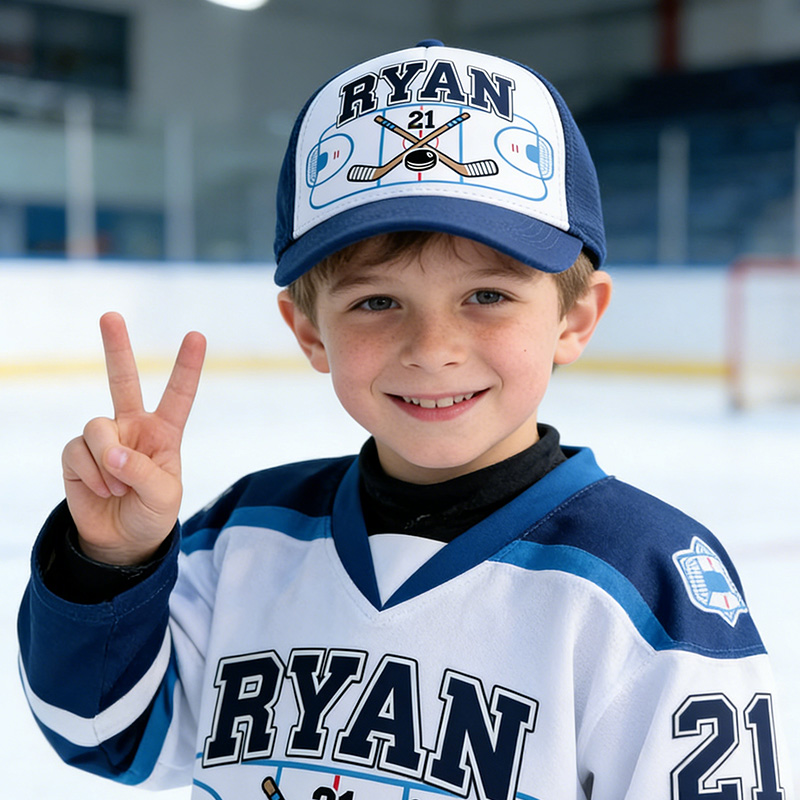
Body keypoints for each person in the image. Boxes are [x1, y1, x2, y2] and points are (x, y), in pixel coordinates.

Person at [17, 40, 793, 800]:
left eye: (487, 296)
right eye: (376, 302)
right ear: (310, 331)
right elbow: (102, 737)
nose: (434, 350)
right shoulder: (247, 537)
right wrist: (110, 564)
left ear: (575, 317)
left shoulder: (647, 583)